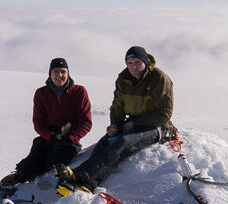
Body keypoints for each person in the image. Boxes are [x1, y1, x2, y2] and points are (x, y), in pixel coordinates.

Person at [57, 45, 174, 192]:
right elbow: (117, 107)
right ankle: (85, 182)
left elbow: (164, 114)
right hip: (132, 122)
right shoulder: (123, 79)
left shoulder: (159, 78)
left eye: (137, 62)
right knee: (105, 143)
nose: (133, 67)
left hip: (156, 126)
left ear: (145, 62)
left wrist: (135, 123)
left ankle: (83, 176)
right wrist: (115, 126)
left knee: (124, 142)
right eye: (129, 63)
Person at [3, 57, 92, 184]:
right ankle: (16, 180)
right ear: (50, 74)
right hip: (48, 137)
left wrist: (71, 137)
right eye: (56, 71)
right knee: (29, 165)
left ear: (68, 73)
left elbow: (86, 122)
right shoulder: (41, 93)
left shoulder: (79, 92)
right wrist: (50, 136)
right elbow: (38, 123)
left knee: (52, 163)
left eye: (63, 71)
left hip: (69, 140)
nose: (59, 75)